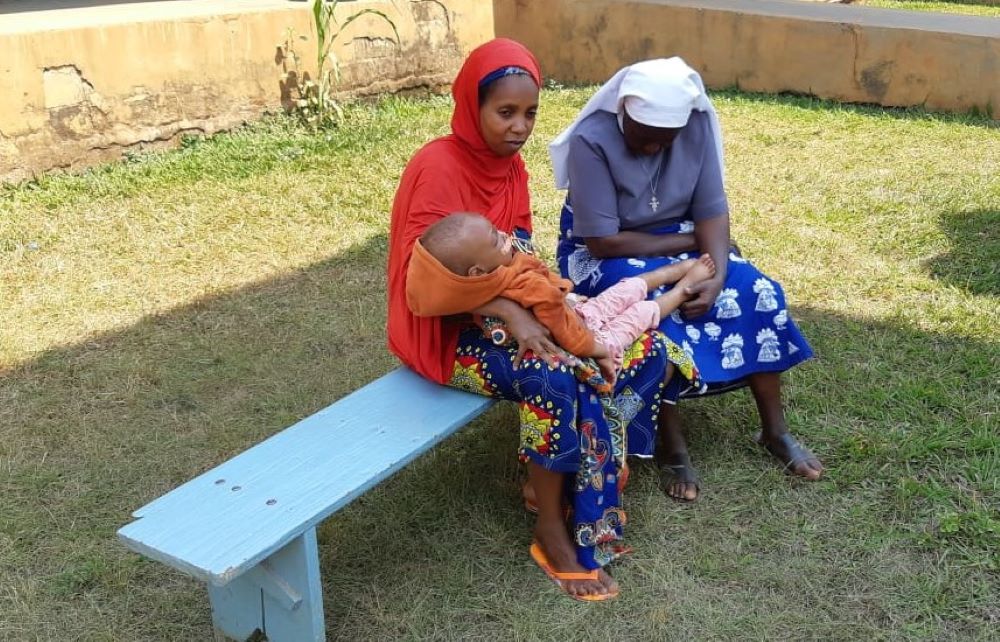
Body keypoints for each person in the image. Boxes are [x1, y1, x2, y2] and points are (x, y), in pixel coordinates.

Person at [386, 40, 702, 601]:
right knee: (554, 373)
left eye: (529, 113)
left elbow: (522, 251)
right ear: (471, 105)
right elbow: (424, 285)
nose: (519, 127)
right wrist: (510, 311)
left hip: (511, 315)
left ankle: (587, 468)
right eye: (504, 112)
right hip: (445, 333)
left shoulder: (510, 170)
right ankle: (553, 529)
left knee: (647, 350)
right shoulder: (436, 167)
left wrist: (547, 308)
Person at [550, 57, 824, 502]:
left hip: (682, 239)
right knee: (658, 310)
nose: (655, 148)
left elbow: (712, 212)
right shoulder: (591, 139)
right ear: (624, 113)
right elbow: (603, 243)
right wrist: (688, 245)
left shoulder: (695, 126)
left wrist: (712, 275)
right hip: (608, 248)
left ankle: (774, 430)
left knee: (757, 292)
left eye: (666, 139)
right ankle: (672, 445)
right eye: (645, 136)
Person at [408, 211, 716, 385]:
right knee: (632, 305)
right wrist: (597, 349)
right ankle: (679, 285)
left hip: (579, 312)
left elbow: (423, 292)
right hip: (584, 327)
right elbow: (565, 330)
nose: (505, 236)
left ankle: (673, 282)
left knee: (634, 309)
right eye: (496, 240)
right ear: (477, 270)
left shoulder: (471, 283)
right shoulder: (525, 283)